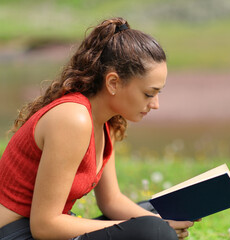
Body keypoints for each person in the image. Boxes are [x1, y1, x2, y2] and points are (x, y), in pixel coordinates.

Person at [0, 17, 196, 240]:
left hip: (45, 230)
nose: (155, 104)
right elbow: (44, 226)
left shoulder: (105, 122)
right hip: (16, 234)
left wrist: (162, 222)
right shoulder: (72, 119)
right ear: (113, 83)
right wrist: (147, 229)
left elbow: (111, 201)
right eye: (148, 94)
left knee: (154, 213)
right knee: (152, 230)